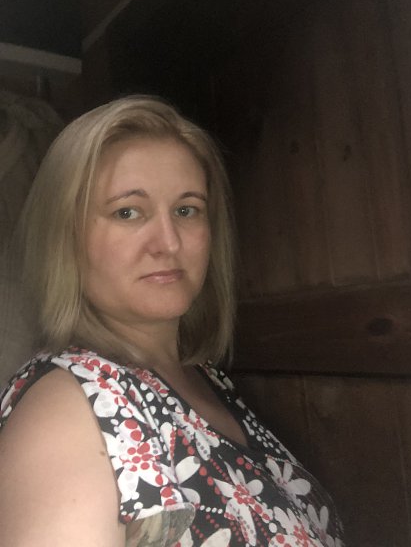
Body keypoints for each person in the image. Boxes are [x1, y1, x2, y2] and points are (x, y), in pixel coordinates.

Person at [0, 96, 344, 547]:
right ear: (65, 237)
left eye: (186, 210)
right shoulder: (67, 411)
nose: (168, 242)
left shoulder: (207, 380)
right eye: (127, 212)